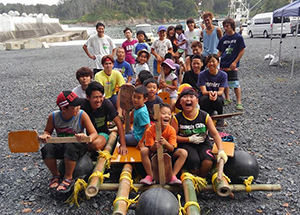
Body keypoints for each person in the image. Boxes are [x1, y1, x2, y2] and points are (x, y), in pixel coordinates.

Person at [39, 91, 98, 192]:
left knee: (70, 147)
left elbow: (94, 133)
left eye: (78, 105)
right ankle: (55, 174)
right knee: (47, 149)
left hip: (78, 146)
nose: (78, 107)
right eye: (74, 106)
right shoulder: (53, 117)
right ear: (64, 109)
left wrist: (87, 137)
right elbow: (47, 131)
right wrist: (45, 135)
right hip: (61, 145)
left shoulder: (81, 115)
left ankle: (68, 177)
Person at [171, 87, 228, 177]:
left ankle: (201, 178)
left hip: (203, 143)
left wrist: (221, 150)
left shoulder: (204, 115)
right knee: (194, 162)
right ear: (180, 102)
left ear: (197, 101)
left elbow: (215, 134)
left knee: (208, 162)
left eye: (191, 96)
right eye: (185, 97)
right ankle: (194, 177)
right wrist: (189, 139)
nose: (188, 99)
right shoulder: (176, 118)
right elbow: (173, 137)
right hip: (186, 144)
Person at [140, 103, 187, 185]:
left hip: (168, 152)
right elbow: (151, 149)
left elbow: (172, 148)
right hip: (154, 153)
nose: (167, 116)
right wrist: (155, 146)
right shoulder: (150, 130)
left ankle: (172, 176)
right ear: (155, 116)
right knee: (143, 151)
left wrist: (165, 143)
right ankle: (150, 176)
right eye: (163, 113)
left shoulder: (171, 130)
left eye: (169, 114)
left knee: (183, 153)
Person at [81, 82, 128, 155]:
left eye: (100, 96)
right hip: (87, 135)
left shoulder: (106, 103)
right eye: (95, 97)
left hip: (102, 133)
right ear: (87, 97)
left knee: (95, 145)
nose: (99, 100)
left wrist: (123, 145)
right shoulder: (83, 106)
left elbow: (119, 123)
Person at [217, 18, 246, 110]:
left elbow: (242, 50)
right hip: (223, 63)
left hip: (232, 64)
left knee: (235, 83)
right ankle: (227, 98)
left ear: (232, 26)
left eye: (227, 26)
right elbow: (220, 51)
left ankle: (238, 102)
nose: (225, 28)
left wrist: (235, 61)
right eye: (224, 26)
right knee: (224, 83)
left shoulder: (238, 37)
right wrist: (214, 59)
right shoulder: (223, 39)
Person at [197, 54, 228, 126]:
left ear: (218, 62)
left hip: (217, 96)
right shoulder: (202, 74)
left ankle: (220, 117)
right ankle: (204, 116)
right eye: (209, 62)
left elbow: (221, 91)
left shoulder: (223, 75)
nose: (211, 64)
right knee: (204, 99)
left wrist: (215, 94)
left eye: (213, 61)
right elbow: (203, 91)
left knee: (217, 99)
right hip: (205, 96)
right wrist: (210, 93)